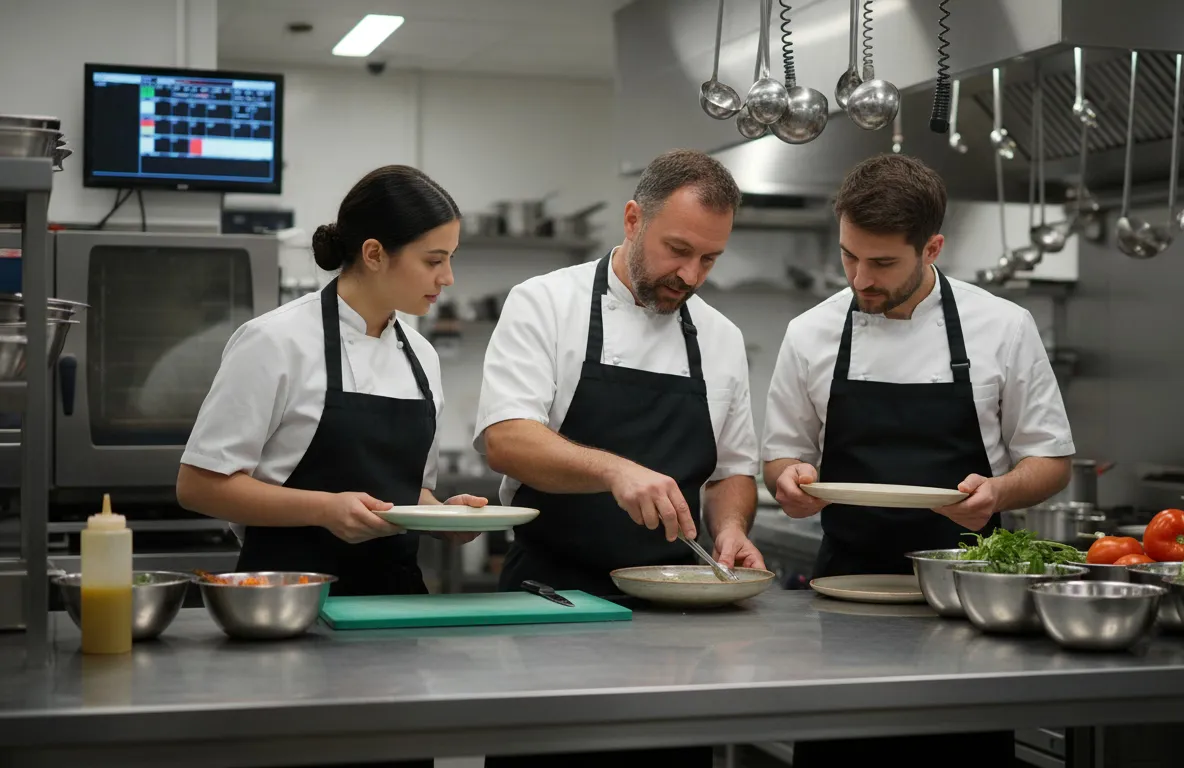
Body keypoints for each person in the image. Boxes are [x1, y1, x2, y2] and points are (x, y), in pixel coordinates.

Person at [761, 154, 1075, 766]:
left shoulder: (1003, 327)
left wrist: (1000, 493)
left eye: (882, 263)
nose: (859, 279)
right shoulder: (809, 333)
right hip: (844, 601)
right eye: (849, 256)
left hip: (968, 610)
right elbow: (783, 454)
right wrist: (788, 480)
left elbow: (1051, 460)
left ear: (931, 248)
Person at [474, 149, 763, 768]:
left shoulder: (720, 338)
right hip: (551, 602)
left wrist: (733, 527)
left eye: (709, 259)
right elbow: (506, 437)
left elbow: (734, 470)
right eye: (677, 249)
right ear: (633, 220)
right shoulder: (546, 303)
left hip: (673, 619)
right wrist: (614, 469)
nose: (690, 274)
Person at [178, 164, 488, 604]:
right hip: (287, 605)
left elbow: (406, 491)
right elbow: (198, 486)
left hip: (396, 609)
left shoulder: (423, 356)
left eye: (451, 260)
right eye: (433, 260)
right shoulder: (274, 341)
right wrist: (323, 510)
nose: (448, 278)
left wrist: (442, 517)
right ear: (375, 253)